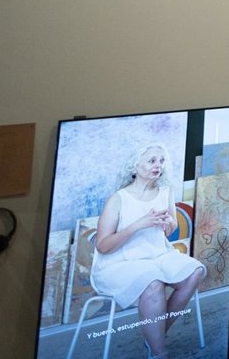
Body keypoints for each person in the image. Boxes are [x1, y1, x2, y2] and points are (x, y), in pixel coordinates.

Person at [91, 144, 205, 359]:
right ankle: (159, 352)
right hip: (119, 262)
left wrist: (167, 223)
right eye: (152, 161)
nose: (158, 165)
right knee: (153, 283)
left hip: (158, 254)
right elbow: (103, 246)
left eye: (161, 161)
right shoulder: (118, 199)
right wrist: (138, 224)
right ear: (134, 166)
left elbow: (170, 229)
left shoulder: (165, 192)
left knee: (195, 271)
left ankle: (154, 337)